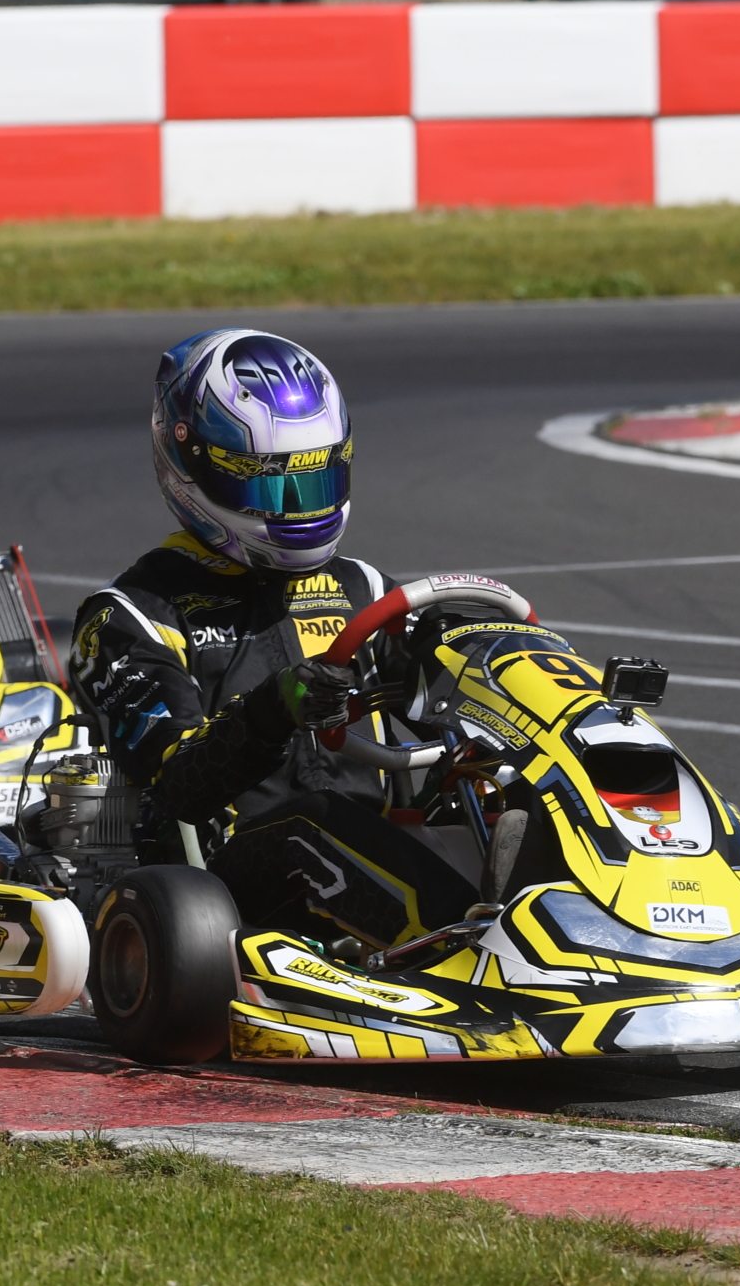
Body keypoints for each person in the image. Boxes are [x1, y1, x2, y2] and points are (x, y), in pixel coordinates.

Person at [70, 328, 476, 949]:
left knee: (512, 795)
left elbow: (448, 699)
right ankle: (467, 949)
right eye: (267, 483)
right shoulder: (132, 616)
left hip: (374, 851)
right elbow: (178, 785)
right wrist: (272, 709)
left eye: (313, 480)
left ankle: (599, 929)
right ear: (190, 463)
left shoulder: (361, 588)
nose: (295, 506)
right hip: (223, 883)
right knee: (313, 825)